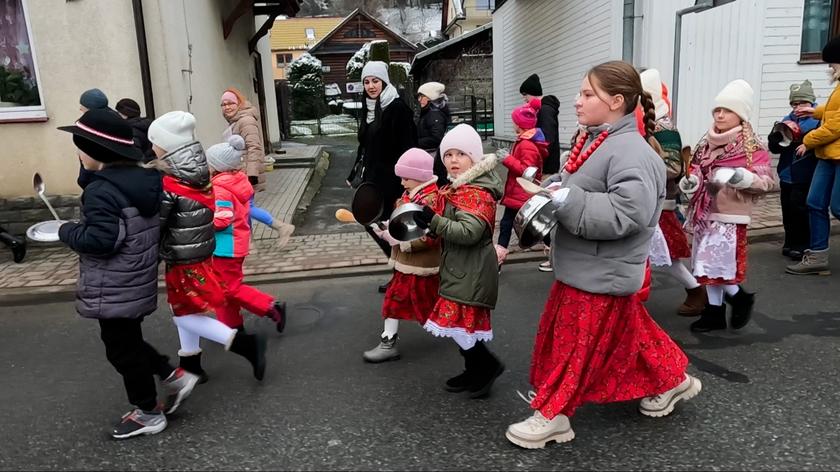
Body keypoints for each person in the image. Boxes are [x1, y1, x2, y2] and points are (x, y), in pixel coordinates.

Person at [506, 61, 699, 449]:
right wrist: (554, 185)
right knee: (632, 334)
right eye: (580, 93)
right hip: (586, 266)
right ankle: (674, 379)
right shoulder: (597, 140)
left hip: (600, 272)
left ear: (616, 101)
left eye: (587, 94)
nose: (577, 102)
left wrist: (566, 198)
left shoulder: (631, 151)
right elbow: (579, 183)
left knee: (573, 345)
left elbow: (628, 214)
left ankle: (555, 416)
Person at [56, 109, 193, 439]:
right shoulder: (140, 179)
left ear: (95, 152)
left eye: (80, 148)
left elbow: (101, 240)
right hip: (133, 280)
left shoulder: (102, 191)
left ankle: (148, 413)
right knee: (127, 341)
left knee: (121, 350)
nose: (77, 154)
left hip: (113, 283)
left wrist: (66, 231)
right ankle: (171, 374)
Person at [146, 111, 268, 385]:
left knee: (183, 316)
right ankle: (191, 365)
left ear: (165, 145)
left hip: (183, 256)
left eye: (154, 142)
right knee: (187, 310)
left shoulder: (169, 181)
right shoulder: (197, 170)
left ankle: (244, 344)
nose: (152, 147)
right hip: (199, 252)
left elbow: (158, 223)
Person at [413, 124, 505, 399]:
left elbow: (469, 233)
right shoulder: (461, 187)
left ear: (474, 158)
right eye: (448, 155)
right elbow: (453, 226)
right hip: (462, 267)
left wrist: (435, 221)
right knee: (459, 326)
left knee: (459, 324)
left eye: (460, 154)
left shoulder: (477, 192)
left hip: (472, 269)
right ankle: (474, 369)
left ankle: (487, 367)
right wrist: (431, 224)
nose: (453, 160)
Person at [680, 79, 778, 332]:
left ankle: (740, 297)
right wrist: (690, 182)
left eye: (728, 110)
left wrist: (740, 177)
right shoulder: (706, 144)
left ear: (741, 115)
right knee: (706, 265)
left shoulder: (752, 148)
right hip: (705, 213)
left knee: (717, 266)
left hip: (730, 217)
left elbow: (766, 182)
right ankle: (715, 313)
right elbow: (696, 172)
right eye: (717, 110)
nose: (720, 115)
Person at [363, 148, 442, 363]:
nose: (401, 182)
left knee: (419, 303)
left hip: (421, 264)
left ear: (419, 177)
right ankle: (388, 341)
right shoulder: (411, 195)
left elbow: (432, 237)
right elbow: (402, 223)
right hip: (408, 265)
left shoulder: (431, 202)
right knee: (397, 300)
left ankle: (462, 334)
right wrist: (386, 227)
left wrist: (398, 240)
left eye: (406, 178)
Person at [638, 68, 706, 316]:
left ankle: (697, 291)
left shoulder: (664, 128)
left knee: (667, 256)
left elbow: (672, 167)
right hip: (647, 199)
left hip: (660, 201)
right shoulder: (644, 124)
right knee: (649, 254)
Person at [206, 135, 287, 333]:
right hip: (233, 244)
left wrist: (203, 224)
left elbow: (222, 219)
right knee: (223, 289)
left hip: (225, 247)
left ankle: (270, 307)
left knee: (229, 288)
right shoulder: (236, 181)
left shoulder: (220, 188)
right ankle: (231, 326)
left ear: (217, 166)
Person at [352, 61, 417, 292]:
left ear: (384, 81)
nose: (371, 86)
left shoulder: (398, 108)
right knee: (372, 224)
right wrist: (356, 172)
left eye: (375, 81)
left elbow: (409, 147)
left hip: (394, 182)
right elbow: (366, 146)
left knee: (393, 229)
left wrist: (407, 182)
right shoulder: (369, 108)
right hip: (374, 181)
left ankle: (404, 277)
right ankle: (401, 273)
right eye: (367, 82)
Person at [786, 36, 840, 275]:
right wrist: (814, 110)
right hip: (828, 156)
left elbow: (836, 125)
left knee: (838, 207)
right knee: (814, 202)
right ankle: (818, 256)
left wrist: (807, 141)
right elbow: (831, 112)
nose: (830, 67)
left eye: (833, 63)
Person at [221, 88, 295, 248]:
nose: (227, 107)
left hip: (246, 172)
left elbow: (254, 147)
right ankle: (249, 242)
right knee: (244, 207)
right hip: (240, 171)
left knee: (246, 207)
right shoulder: (236, 121)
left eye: (230, 103)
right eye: (223, 104)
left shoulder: (245, 121)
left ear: (239, 103)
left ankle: (282, 227)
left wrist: (251, 174)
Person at [768, 80, 820, 262]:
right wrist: (774, 141)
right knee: (788, 210)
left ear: (811, 102)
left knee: (801, 209)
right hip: (787, 173)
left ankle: (803, 244)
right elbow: (777, 148)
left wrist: (804, 140)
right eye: (794, 103)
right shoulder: (787, 120)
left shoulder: (818, 120)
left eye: (802, 103)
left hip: (806, 174)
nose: (798, 107)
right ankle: (790, 241)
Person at [496, 99, 548, 268]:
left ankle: (498, 259)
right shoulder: (527, 141)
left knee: (508, 225)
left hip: (521, 192)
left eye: (514, 122)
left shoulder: (526, 144)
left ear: (519, 124)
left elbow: (528, 171)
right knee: (531, 225)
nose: (513, 125)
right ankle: (553, 248)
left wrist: (507, 159)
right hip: (520, 192)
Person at [520, 74, 560, 175]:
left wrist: (536, 157)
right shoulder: (541, 109)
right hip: (544, 164)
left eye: (525, 94)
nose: (524, 98)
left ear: (533, 92)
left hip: (547, 167)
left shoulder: (545, 110)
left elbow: (548, 139)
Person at [416, 82, 451, 186]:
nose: (419, 100)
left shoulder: (434, 114)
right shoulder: (429, 112)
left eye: (422, 96)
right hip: (431, 157)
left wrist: (416, 142)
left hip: (433, 158)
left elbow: (437, 138)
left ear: (430, 97)